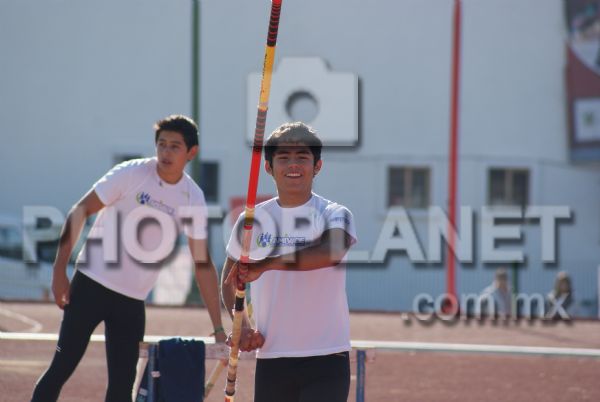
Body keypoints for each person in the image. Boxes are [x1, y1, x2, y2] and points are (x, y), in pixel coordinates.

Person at [31, 115, 227, 402]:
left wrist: (219, 327)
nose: (166, 152)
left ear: (191, 152)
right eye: (161, 144)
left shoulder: (192, 197)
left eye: (175, 146)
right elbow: (79, 210)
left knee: (122, 388)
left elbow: (203, 263)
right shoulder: (132, 173)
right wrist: (59, 270)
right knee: (61, 368)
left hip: (132, 301)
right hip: (90, 286)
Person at [221, 122, 357, 402]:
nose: (293, 164)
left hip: (327, 356)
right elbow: (229, 280)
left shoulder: (334, 213)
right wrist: (242, 325)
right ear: (269, 167)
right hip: (272, 357)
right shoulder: (251, 220)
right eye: (283, 157)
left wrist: (266, 263)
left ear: (317, 166)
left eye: (302, 157)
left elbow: (331, 252)